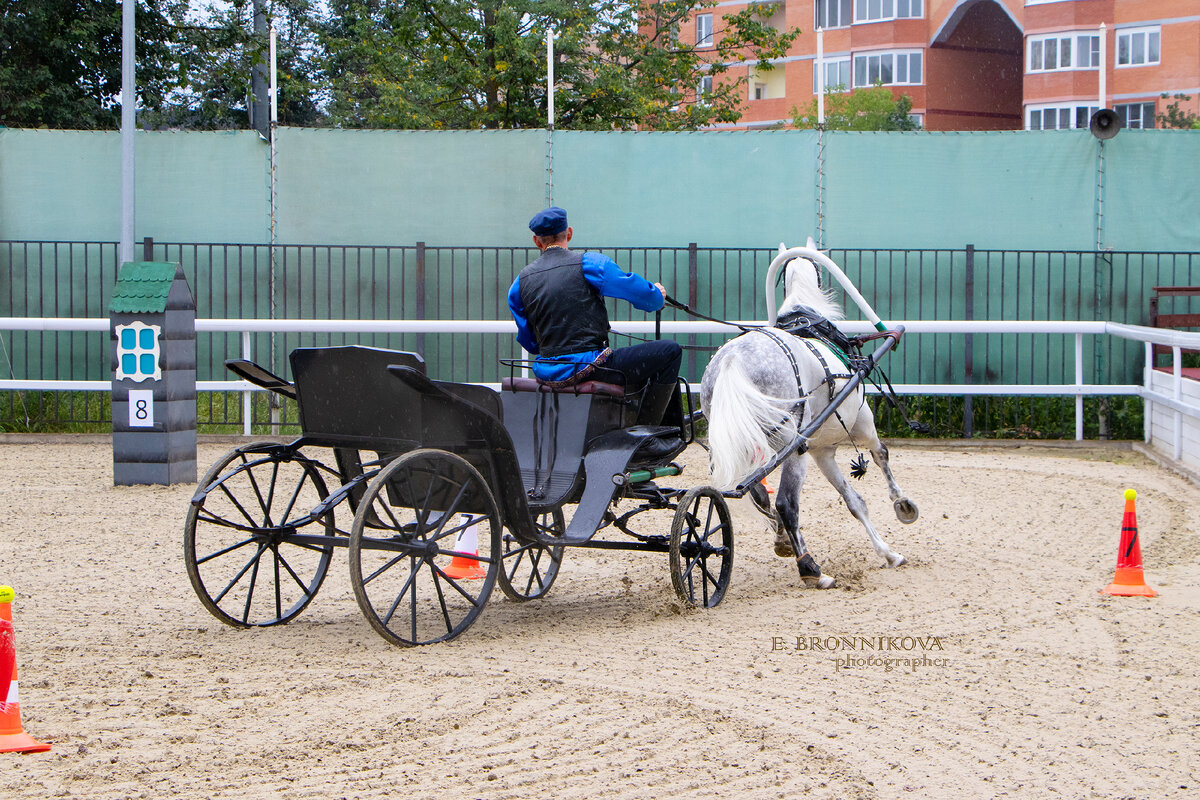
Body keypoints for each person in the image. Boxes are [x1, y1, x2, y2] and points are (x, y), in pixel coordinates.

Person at [507, 206, 683, 426]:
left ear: (536, 241)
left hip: (546, 373)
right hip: (592, 368)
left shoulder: (519, 283)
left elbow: (531, 343)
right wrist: (657, 294)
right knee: (670, 351)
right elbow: (645, 297)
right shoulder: (590, 264)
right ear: (569, 233)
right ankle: (649, 432)